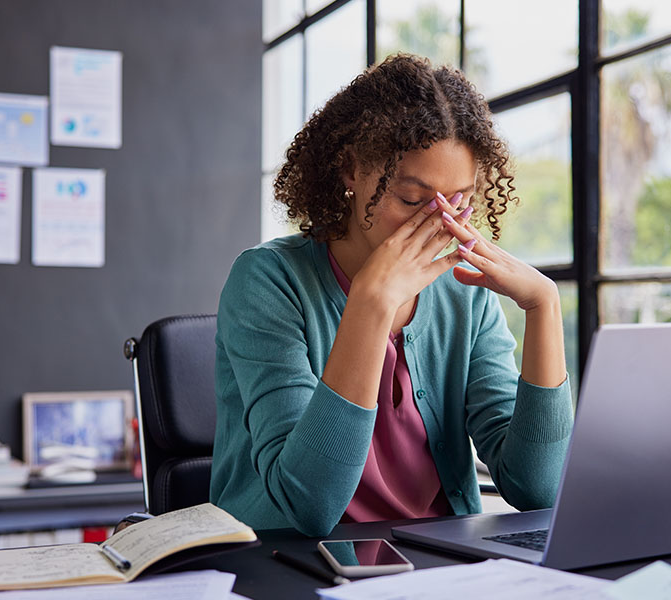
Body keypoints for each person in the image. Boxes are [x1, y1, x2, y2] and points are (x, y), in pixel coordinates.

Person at [210, 54, 574, 537]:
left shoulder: (464, 293)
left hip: (445, 567)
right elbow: (308, 504)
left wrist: (543, 306)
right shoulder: (266, 281)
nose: (441, 224)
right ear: (350, 171)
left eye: (459, 202)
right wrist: (371, 303)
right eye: (411, 200)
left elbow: (539, 489)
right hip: (298, 564)